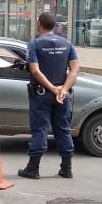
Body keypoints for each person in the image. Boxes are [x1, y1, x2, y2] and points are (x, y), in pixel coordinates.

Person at [19, 12, 80, 180]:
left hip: (41, 94)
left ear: (39, 24)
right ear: (54, 26)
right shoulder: (67, 44)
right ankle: (66, 168)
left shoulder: (35, 45)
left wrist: (53, 88)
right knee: (63, 129)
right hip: (62, 95)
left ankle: (33, 168)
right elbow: (74, 69)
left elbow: (35, 70)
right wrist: (63, 89)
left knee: (40, 129)